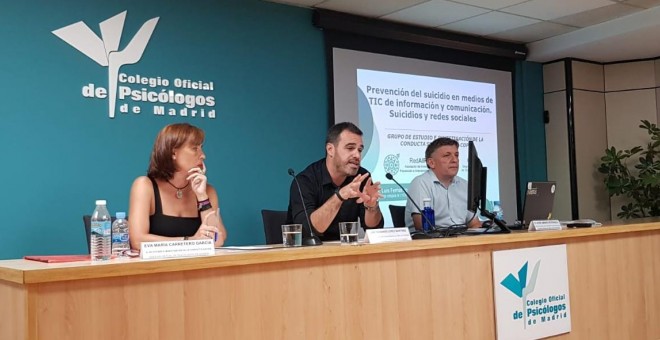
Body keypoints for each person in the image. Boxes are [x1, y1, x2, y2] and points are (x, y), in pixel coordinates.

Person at [129, 123, 227, 249]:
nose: (203, 155)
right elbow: (137, 241)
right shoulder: (144, 186)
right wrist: (190, 241)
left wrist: (202, 196)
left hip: (196, 266)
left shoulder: (207, 190)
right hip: (156, 267)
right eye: (195, 148)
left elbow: (218, 240)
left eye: (201, 148)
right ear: (173, 153)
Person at [286, 122, 384, 241]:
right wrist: (340, 196)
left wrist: (371, 207)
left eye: (359, 150)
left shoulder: (361, 176)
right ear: (330, 149)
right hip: (307, 254)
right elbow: (309, 230)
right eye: (350, 148)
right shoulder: (305, 181)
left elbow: (373, 228)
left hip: (346, 252)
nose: (357, 155)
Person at [405, 137, 482, 230]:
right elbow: (422, 227)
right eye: (447, 155)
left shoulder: (465, 185)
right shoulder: (421, 183)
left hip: (461, 239)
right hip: (433, 241)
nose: (455, 160)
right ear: (431, 163)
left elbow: (474, 223)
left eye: (456, 155)